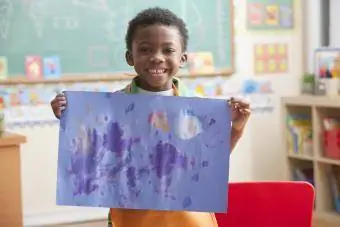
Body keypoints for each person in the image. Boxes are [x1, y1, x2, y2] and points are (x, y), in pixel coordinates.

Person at [51, 7, 251, 227]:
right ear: (130, 56)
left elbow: (210, 160)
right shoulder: (111, 108)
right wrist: (69, 118)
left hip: (188, 219)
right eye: (145, 50)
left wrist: (236, 128)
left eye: (168, 50)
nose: (157, 58)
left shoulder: (199, 107)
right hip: (132, 219)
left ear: (183, 58)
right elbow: (93, 158)